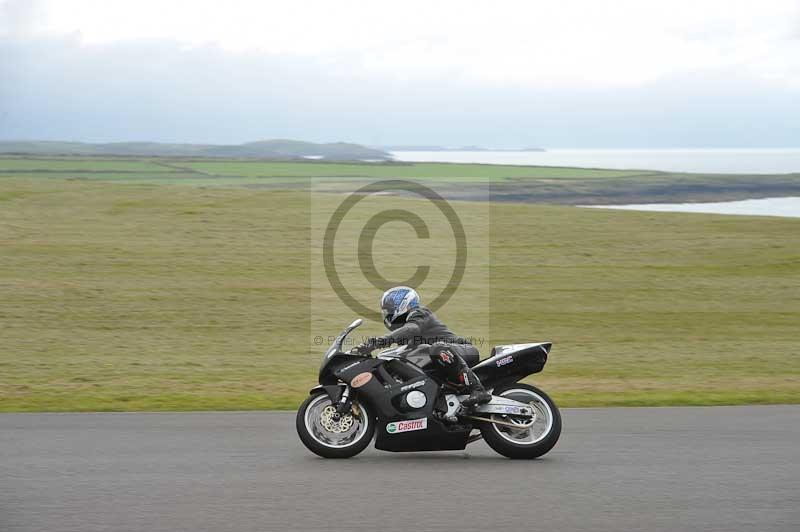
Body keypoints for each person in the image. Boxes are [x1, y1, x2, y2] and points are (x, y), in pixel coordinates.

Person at [357, 286, 491, 408]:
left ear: (403, 305)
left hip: (462, 351)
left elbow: (412, 329)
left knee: (437, 348)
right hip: (443, 363)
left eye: (389, 310)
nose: (387, 314)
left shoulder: (419, 313)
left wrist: (379, 342)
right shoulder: (405, 332)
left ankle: (478, 389)